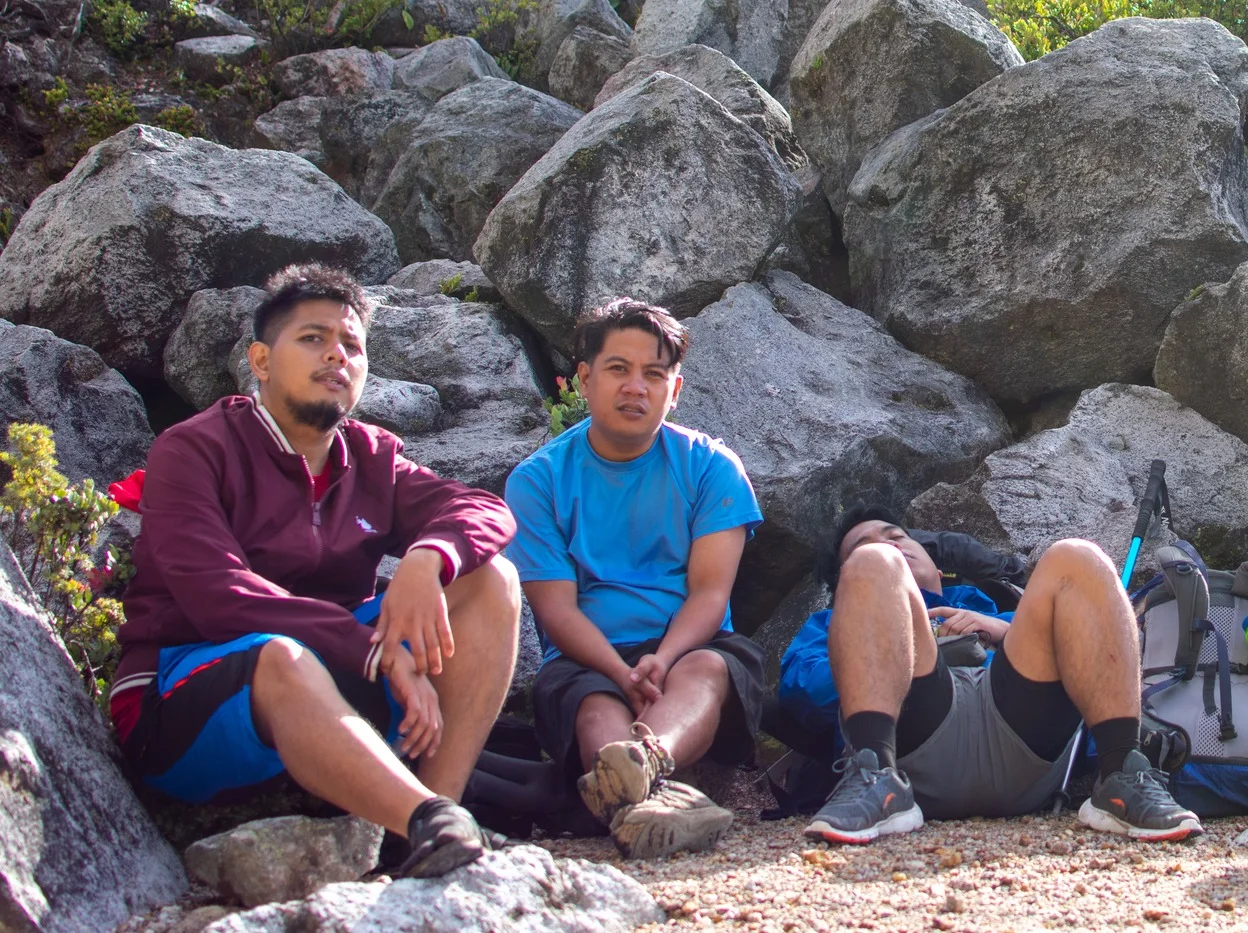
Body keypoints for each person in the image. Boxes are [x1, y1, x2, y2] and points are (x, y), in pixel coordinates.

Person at [114, 264, 521, 877]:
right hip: (182, 696)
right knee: (281, 656)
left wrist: (428, 558)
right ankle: (424, 816)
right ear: (259, 360)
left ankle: (433, 830)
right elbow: (220, 598)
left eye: (351, 345)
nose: (337, 354)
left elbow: (483, 508)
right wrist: (370, 649)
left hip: (332, 674)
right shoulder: (194, 449)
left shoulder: (369, 457)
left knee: (491, 581)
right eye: (312, 338)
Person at [503, 299, 767, 859]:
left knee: (709, 668)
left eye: (654, 374)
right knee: (593, 700)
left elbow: (710, 593)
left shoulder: (712, 466)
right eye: (618, 369)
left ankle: (641, 769)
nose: (635, 388)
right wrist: (620, 672)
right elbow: (556, 612)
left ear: (675, 390)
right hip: (587, 657)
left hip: (690, 645)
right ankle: (644, 804)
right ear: (585, 379)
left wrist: (663, 658)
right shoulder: (538, 480)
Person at [779, 510, 1203, 845]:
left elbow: (1090, 659)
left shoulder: (992, 606)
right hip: (910, 746)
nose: (889, 544)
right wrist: (901, 644)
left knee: (1078, 557)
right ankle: (875, 779)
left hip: (1022, 738)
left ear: (933, 559)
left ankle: (1122, 777)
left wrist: (999, 630)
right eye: (862, 544)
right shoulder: (830, 622)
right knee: (876, 565)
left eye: (897, 535)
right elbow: (806, 693)